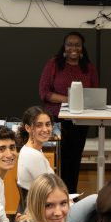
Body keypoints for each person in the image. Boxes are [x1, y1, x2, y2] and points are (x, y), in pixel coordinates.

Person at [16, 105, 97, 222]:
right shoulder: (33, 156)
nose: (45, 129)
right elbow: (51, 194)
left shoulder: (31, 150)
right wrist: (68, 202)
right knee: (97, 200)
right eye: (39, 125)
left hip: (48, 209)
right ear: (28, 128)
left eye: (48, 124)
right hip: (49, 217)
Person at [38, 31, 98, 192]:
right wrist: (69, 99)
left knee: (74, 160)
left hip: (80, 120)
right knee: (59, 159)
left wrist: (81, 101)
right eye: (70, 44)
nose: (73, 48)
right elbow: (44, 93)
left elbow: (94, 93)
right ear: (64, 47)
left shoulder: (89, 68)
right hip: (57, 119)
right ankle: (55, 193)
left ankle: (71, 195)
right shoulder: (54, 64)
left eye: (77, 45)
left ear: (82, 48)